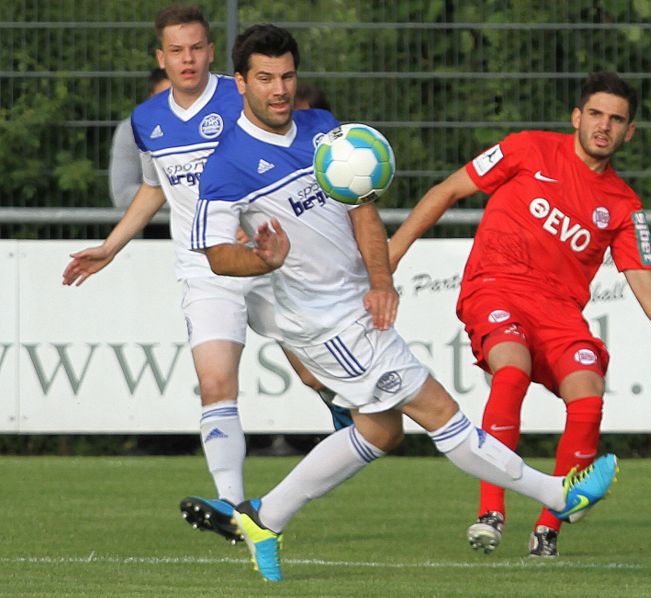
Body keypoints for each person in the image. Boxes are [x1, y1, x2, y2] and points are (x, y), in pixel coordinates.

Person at [190, 23, 619, 582]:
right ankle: (558, 494)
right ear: (241, 82)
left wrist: (381, 281)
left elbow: (362, 208)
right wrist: (262, 260)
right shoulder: (226, 165)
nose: (280, 90)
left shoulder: (323, 130)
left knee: (381, 431)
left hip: (355, 307)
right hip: (324, 323)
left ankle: (265, 518)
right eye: (266, 79)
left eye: (288, 77)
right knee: (440, 413)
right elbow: (218, 256)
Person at [387, 71, 651, 558]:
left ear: (629, 132)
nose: (603, 126)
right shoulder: (528, 148)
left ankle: (548, 529)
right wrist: (392, 253)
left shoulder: (624, 206)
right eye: (596, 114)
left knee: (588, 394)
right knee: (512, 370)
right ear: (576, 117)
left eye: (616, 119)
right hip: (495, 287)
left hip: (559, 313)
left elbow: (650, 293)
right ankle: (491, 512)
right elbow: (448, 190)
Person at [61, 4, 351, 546]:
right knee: (216, 384)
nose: (187, 59)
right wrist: (111, 246)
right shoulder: (148, 120)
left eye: (196, 48)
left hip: (263, 259)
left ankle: (347, 416)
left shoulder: (241, 97)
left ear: (211, 51)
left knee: (315, 376)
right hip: (205, 268)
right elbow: (154, 188)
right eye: (176, 50)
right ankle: (235, 509)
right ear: (161, 57)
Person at [109, 68, 170, 210]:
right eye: (165, 96)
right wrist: (184, 194)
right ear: (151, 98)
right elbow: (123, 196)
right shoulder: (130, 130)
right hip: (154, 221)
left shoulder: (211, 128)